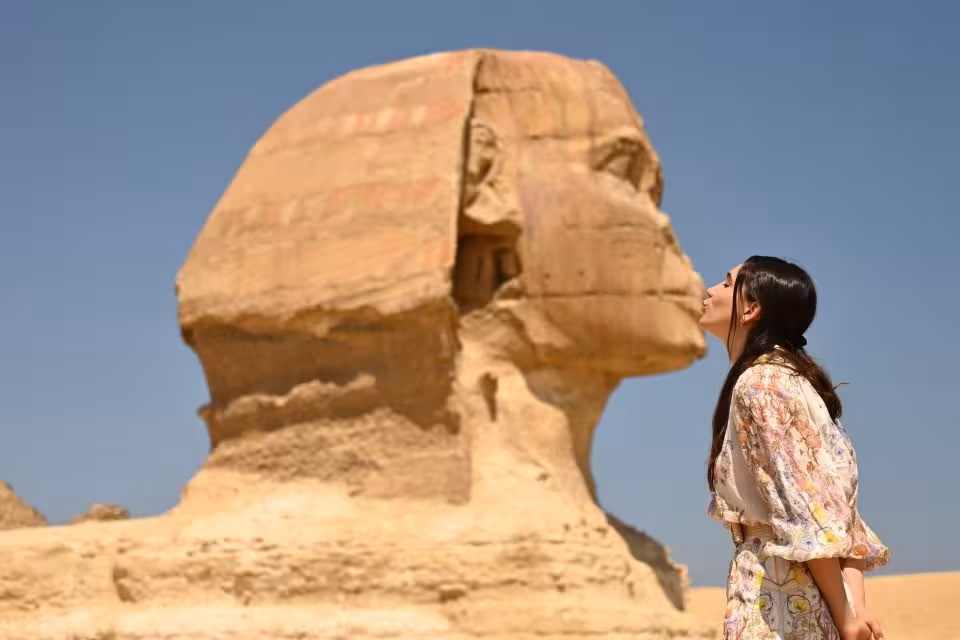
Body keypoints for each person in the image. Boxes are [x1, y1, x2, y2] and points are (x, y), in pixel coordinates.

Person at [699, 256, 890, 640]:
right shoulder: (795, 381)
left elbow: (806, 510)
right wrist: (852, 608)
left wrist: (846, 613)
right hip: (811, 599)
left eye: (725, 282)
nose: (710, 290)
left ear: (751, 309)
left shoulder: (760, 385)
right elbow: (840, 513)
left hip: (776, 599)